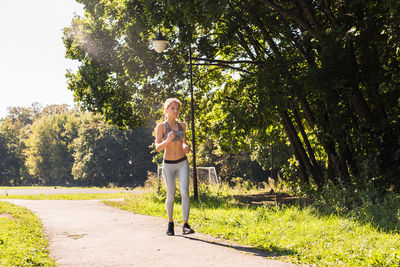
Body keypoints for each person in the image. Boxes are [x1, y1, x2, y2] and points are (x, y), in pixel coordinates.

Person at [155, 98, 195, 236]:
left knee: (184, 192)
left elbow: (184, 141)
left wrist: (185, 146)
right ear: (166, 110)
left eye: (177, 108)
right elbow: (158, 148)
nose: (176, 111)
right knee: (171, 195)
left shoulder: (182, 125)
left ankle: (185, 225)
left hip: (182, 161)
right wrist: (168, 140)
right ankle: (170, 223)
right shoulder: (161, 127)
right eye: (172, 108)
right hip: (168, 165)